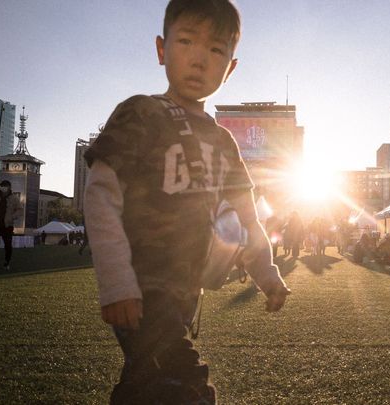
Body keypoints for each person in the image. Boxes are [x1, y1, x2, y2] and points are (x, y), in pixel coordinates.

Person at [83, 1, 289, 403]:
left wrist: (267, 273)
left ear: (230, 68)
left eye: (216, 50)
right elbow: (101, 196)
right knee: (186, 385)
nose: (199, 59)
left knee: (144, 386)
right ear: (162, 49)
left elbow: (247, 219)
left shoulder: (224, 141)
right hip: (142, 285)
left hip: (184, 291)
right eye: (186, 41)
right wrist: (117, 282)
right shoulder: (140, 113)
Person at [0, 180, 23, 270]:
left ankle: (7, 262)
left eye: (5, 186)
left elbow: (20, 210)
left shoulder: (14, 198)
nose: (3, 188)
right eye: (2, 186)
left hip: (7, 225)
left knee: (7, 244)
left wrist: (12, 217)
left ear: (9, 187)